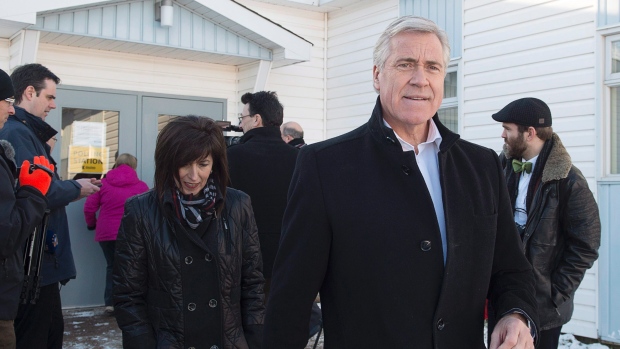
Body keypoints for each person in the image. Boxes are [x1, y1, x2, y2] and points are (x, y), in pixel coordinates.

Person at [263, 16, 539, 349]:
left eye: (433, 67)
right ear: (378, 76)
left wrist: (515, 313)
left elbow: (511, 268)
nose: (421, 80)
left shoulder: (481, 165)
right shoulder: (325, 166)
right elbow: (291, 295)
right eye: (406, 64)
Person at [113, 116, 265, 349]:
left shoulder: (238, 205)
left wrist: (255, 337)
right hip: (170, 341)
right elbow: (128, 294)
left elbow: (252, 282)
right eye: (184, 164)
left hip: (228, 341)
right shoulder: (141, 210)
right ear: (168, 163)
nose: (194, 176)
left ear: (214, 164)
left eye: (203, 164)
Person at [0, 63, 100, 349]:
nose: (54, 105)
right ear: (29, 92)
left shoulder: (26, 133)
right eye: (50, 97)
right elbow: (34, 191)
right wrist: (74, 188)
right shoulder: (17, 134)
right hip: (33, 266)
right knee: (37, 337)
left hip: (39, 264)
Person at [491, 97, 601, 349]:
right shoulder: (501, 167)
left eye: (508, 128)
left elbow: (586, 244)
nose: (502, 135)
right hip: (504, 297)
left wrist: (555, 294)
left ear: (530, 133)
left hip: (544, 306)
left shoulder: (569, 181)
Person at [0, 68, 53, 349]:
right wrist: (33, 190)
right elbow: (6, 236)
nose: (10, 110)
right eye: (7, 102)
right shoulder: (17, 134)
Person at [227, 91, 298, 296]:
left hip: (241, 260)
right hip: (288, 259)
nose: (240, 125)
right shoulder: (301, 159)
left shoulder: (232, 157)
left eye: (243, 118)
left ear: (256, 119)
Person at [83, 153, 148, 314]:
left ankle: (111, 303)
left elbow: (89, 208)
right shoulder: (141, 186)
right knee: (132, 267)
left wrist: (92, 224)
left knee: (112, 266)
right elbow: (148, 211)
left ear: (116, 164)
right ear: (134, 166)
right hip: (132, 233)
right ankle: (129, 302)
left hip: (107, 233)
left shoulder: (103, 184)